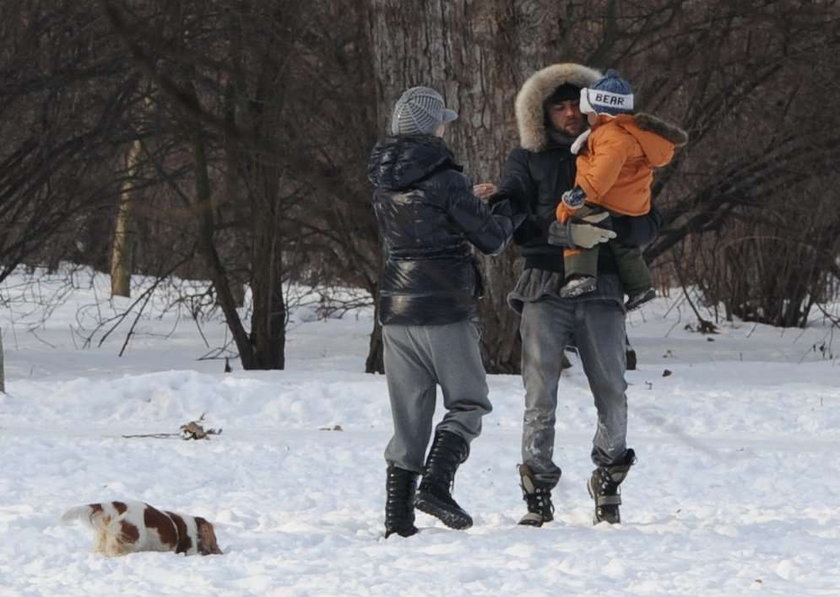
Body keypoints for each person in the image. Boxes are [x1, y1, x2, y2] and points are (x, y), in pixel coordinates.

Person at [489, 63, 663, 525]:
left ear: (590, 106)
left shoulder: (619, 148)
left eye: (575, 104)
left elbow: (649, 219)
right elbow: (512, 217)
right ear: (540, 112)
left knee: (612, 387)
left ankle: (608, 480)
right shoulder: (526, 159)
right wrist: (558, 233)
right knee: (540, 392)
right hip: (545, 282)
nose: (568, 113)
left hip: (603, 284)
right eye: (558, 105)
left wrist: (613, 228)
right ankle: (537, 490)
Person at [368, 86, 518, 538]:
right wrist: (508, 207)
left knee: (409, 416)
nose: (445, 127)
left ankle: (398, 521)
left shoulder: (382, 178)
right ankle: (435, 486)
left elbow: (419, 221)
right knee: (469, 401)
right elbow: (492, 238)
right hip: (444, 306)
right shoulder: (445, 178)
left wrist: (465, 199)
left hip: (395, 308)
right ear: (432, 127)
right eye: (443, 122)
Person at [555, 70, 688, 309]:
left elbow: (604, 171)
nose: (584, 116)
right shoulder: (632, 133)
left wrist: (580, 194)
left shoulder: (610, 136)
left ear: (599, 111)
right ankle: (640, 286)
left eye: (587, 111)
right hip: (633, 204)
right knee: (622, 245)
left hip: (606, 197)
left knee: (579, 222)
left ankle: (581, 275)